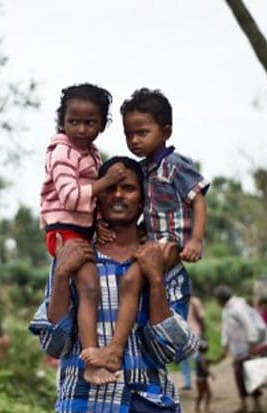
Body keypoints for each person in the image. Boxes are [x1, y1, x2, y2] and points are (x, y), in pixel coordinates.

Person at [30, 157, 199, 413]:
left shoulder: (165, 262)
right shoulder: (74, 258)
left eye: (129, 188)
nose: (119, 195)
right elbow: (54, 345)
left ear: (143, 199)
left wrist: (156, 280)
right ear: (97, 195)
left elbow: (173, 351)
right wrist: (60, 276)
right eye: (110, 189)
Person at [82, 88, 210, 372]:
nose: (135, 140)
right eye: (129, 134)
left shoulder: (176, 166)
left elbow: (198, 200)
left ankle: (114, 350)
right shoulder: (143, 170)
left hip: (171, 244)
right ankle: (115, 348)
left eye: (142, 132)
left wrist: (196, 241)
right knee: (131, 281)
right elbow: (146, 210)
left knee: (130, 281)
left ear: (165, 131)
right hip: (152, 239)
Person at [39, 83, 128, 372]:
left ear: (102, 124)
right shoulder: (62, 151)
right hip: (63, 231)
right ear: (62, 121)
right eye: (73, 121)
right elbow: (72, 196)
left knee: (87, 290)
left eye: (89, 122)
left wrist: (98, 223)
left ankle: (88, 349)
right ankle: (90, 356)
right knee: (89, 286)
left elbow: (92, 202)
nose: (80, 129)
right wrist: (105, 181)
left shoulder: (91, 153)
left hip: (81, 230)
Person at [213, 285, 264, 413]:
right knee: (239, 376)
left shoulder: (237, 307)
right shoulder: (226, 309)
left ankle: (257, 405)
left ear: (221, 299)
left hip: (246, 347)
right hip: (237, 349)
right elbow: (226, 329)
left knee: (251, 374)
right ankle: (244, 404)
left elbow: (249, 325)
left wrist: (252, 344)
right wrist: (225, 345)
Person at [181, 296, 206, 390]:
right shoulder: (192, 301)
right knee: (186, 359)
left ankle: (194, 381)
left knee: (191, 359)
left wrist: (203, 331)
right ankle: (189, 383)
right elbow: (201, 317)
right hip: (185, 333)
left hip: (192, 332)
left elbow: (201, 317)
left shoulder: (194, 302)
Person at [194, 338, 215, 413]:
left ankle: (197, 408)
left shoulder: (199, 357)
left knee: (201, 394)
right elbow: (204, 367)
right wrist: (210, 374)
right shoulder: (202, 357)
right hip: (202, 380)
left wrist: (221, 357)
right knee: (207, 394)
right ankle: (206, 409)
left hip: (199, 379)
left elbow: (213, 361)